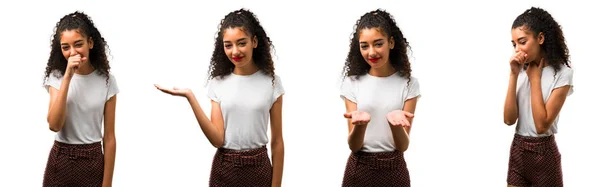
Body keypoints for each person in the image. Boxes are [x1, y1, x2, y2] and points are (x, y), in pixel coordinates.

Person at [154, 8, 285, 187]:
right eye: (228, 45)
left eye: (241, 43)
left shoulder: (272, 83)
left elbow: (277, 141)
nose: (235, 51)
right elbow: (217, 139)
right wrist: (190, 97)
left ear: (254, 42)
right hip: (225, 169)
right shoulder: (218, 83)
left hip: (259, 169)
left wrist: (276, 185)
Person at [340, 9, 420, 187]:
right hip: (359, 171)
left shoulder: (408, 84)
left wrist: (396, 126)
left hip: (395, 172)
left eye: (378, 44)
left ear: (391, 43)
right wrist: (360, 126)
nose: (371, 52)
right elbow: (353, 146)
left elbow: (403, 146)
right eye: (364, 46)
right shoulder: (352, 83)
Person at [42, 11, 119, 187]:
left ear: (90, 43)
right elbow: (54, 124)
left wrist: (107, 184)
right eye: (65, 47)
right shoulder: (56, 77)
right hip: (60, 160)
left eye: (78, 44)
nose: (72, 52)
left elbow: (109, 138)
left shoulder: (107, 81)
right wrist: (68, 77)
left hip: (93, 162)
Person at [503, 7, 573, 187]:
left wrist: (535, 80)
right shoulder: (520, 69)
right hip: (518, 150)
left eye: (522, 42)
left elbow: (542, 125)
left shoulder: (562, 74)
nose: (517, 49)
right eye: (514, 44)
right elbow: (509, 120)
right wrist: (513, 75)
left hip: (544, 155)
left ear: (540, 38)